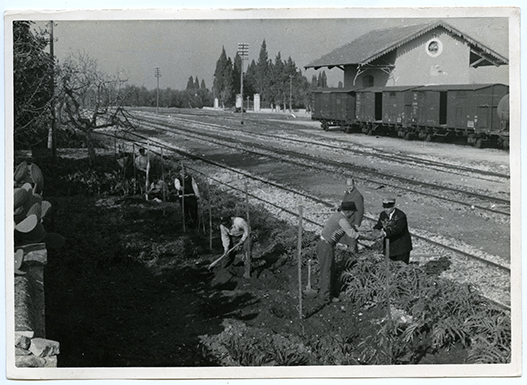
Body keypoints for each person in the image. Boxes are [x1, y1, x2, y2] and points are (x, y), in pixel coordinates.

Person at [316, 201, 360, 305]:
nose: (353, 214)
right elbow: (352, 234)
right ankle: (325, 297)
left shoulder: (337, 215)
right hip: (326, 246)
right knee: (327, 270)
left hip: (323, 244)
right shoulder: (342, 220)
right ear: (348, 212)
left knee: (326, 269)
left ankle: (324, 290)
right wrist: (369, 237)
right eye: (353, 212)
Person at [373, 198, 413, 264]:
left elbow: (398, 230)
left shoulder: (400, 216)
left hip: (401, 246)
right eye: (384, 208)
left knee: (401, 266)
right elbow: (380, 224)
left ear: (393, 207)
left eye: (388, 208)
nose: (386, 210)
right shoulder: (383, 214)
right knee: (390, 265)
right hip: (390, 246)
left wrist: (384, 233)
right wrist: (375, 229)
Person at [340, 177, 364, 252]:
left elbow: (360, 210)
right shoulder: (347, 193)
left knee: (352, 238)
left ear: (354, 185)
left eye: (350, 185)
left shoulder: (357, 196)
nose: (349, 187)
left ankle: (353, 252)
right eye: (347, 185)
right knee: (347, 237)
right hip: (347, 219)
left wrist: (357, 223)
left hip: (353, 220)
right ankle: (349, 250)